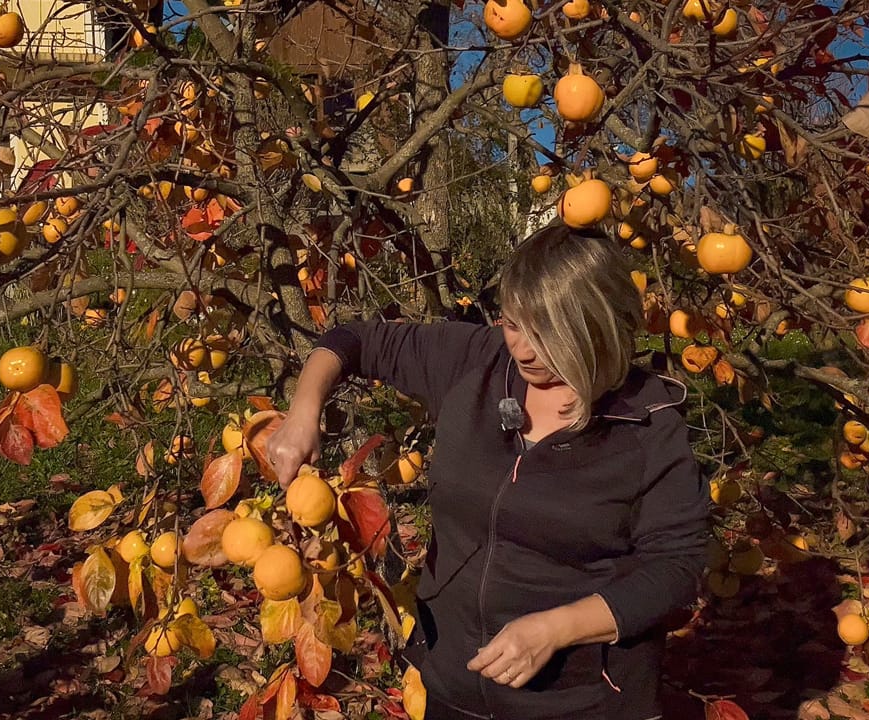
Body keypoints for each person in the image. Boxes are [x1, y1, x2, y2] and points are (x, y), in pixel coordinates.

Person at [265, 223, 709, 719]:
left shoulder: (644, 424)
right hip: (455, 682)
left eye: (545, 333)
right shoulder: (478, 364)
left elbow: (677, 567)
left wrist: (556, 630)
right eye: (514, 323)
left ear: (594, 326)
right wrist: (302, 414)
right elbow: (356, 341)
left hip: (578, 700)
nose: (522, 349)